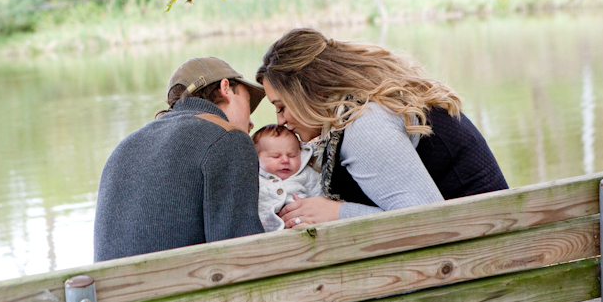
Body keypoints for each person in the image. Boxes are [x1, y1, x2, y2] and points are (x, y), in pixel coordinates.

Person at [255, 28, 508, 229]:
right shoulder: (361, 110)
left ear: (312, 92)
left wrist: (336, 213)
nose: (281, 121)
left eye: (281, 106)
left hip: (486, 251)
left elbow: (426, 221)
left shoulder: (366, 123)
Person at [94, 57, 266, 261]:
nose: (251, 123)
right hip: (181, 289)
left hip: (117, 291)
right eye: (248, 102)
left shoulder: (125, 146)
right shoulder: (228, 139)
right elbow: (243, 254)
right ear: (225, 87)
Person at [252, 124, 321, 231]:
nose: (285, 160)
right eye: (276, 156)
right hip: (264, 231)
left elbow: (320, 195)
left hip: (303, 227)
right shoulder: (254, 177)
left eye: (292, 155)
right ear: (256, 157)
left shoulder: (306, 174)